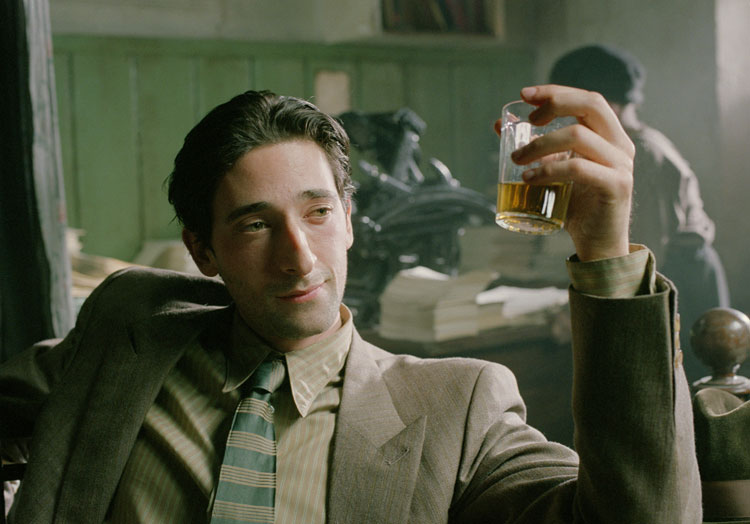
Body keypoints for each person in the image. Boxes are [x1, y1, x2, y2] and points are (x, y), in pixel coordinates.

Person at [0, 85, 701, 523]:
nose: (299, 258)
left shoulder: (457, 409)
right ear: (202, 251)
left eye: (318, 213)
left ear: (350, 221)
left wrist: (605, 252)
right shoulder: (130, 335)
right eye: (255, 224)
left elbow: (644, 515)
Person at [549, 44, 731, 383]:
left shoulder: (642, 153)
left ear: (604, 105)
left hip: (680, 277)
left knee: (681, 381)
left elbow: (644, 249)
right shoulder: (639, 144)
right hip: (675, 267)